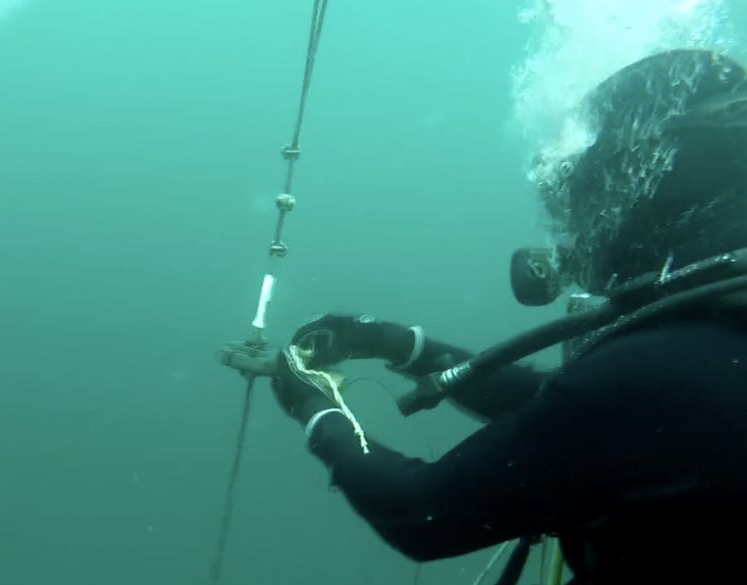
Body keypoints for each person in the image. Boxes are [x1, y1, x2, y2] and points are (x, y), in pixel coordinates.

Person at [218, 48, 747, 585]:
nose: (577, 240)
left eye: (586, 210)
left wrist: (315, 407)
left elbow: (420, 513)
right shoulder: (704, 347)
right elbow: (576, 410)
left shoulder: (670, 364)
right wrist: (397, 344)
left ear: (651, 192)